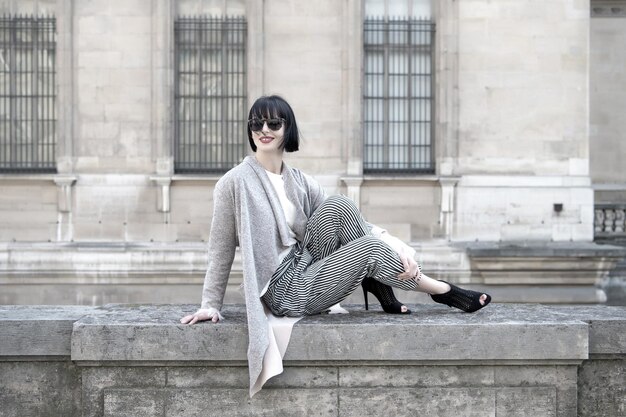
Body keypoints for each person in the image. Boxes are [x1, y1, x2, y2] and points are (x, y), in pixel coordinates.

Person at [180, 95, 491, 396]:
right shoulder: (233, 183)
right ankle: (442, 291)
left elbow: (356, 222)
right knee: (368, 248)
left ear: (287, 129)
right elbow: (220, 249)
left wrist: (403, 252)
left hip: (302, 263)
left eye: (273, 123)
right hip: (283, 290)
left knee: (339, 205)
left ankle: (382, 280)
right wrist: (210, 304)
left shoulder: (299, 180)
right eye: (256, 123)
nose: (264, 130)